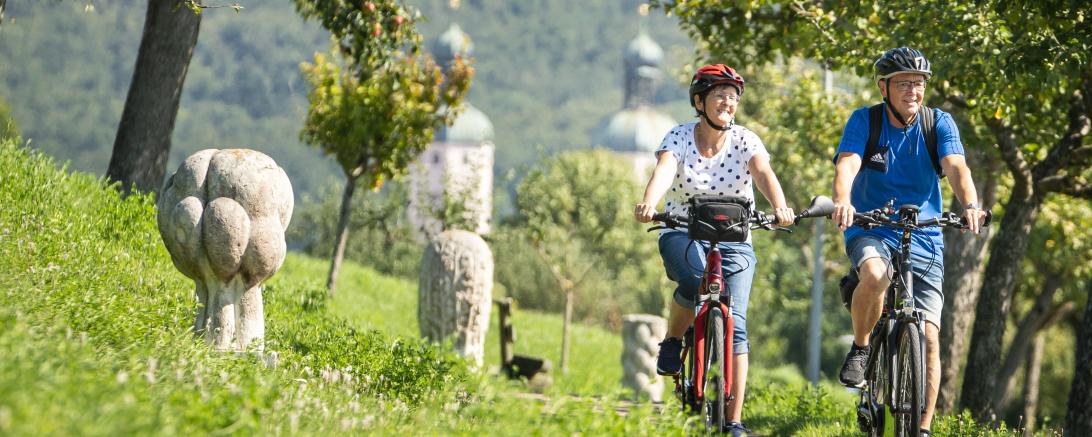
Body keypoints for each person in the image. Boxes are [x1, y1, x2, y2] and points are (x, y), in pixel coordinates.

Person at [830, 47, 988, 436]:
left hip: (925, 234)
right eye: (903, 83)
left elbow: (956, 166)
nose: (913, 91)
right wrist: (843, 201)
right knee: (875, 276)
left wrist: (970, 204)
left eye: (918, 84)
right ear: (884, 88)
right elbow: (847, 162)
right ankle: (863, 347)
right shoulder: (864, 121)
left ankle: (921, 429)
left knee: (930, 338)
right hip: (871, 225)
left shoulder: (939, 123)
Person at [634, 63, 793, 435]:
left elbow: (764, 173)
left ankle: (734, 420)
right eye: (719, 94)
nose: (727, 102)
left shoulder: (745, 139)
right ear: (699, 101)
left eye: (733, 96)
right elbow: (664, 171)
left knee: (736, 322)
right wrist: (648, 202)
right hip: (683, 230)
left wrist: (780, 206)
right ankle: (674, 340)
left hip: (736, 238)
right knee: (692, 281)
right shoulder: (678, 137)